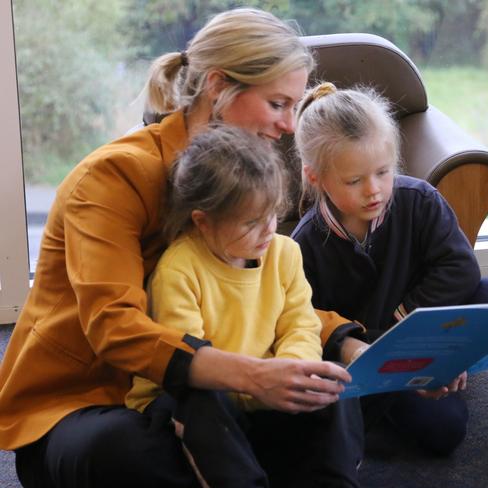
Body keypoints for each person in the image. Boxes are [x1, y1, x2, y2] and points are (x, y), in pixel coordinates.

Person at [0, 9, 362, 487]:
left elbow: (266, 295)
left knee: (327, 391)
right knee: (133, 448)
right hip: (86, 404)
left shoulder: (249, 179)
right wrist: (253, 376)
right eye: (278, 104)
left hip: (206, 386)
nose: (290, 126)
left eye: (294, 107)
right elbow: (115, 326)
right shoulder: (112, 177)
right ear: (217, 86)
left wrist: (353, 345)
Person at [291, 82, 488, 456]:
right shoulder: (305, 245)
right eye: (354, 181)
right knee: (444, 432)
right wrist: (402, 354)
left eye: (383, 172)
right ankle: (366, 434)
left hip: (433, 327)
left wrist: (428, 339)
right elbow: (311, 324)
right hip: (372, 359)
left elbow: (461, 269)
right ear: (316, 177)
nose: (374, 190)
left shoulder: (419, 201)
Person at [124, 125, 362, 487]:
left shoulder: (284, 253)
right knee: (203, 401)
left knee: (332, 382)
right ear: (202, 222)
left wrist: (296, 373)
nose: (268, 230)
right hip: (193, 395)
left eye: (272, 214)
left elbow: (301, 325)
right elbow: (189, 364)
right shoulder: (179, 269)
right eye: (251, 222)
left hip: (265, 389)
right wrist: (265, 384)